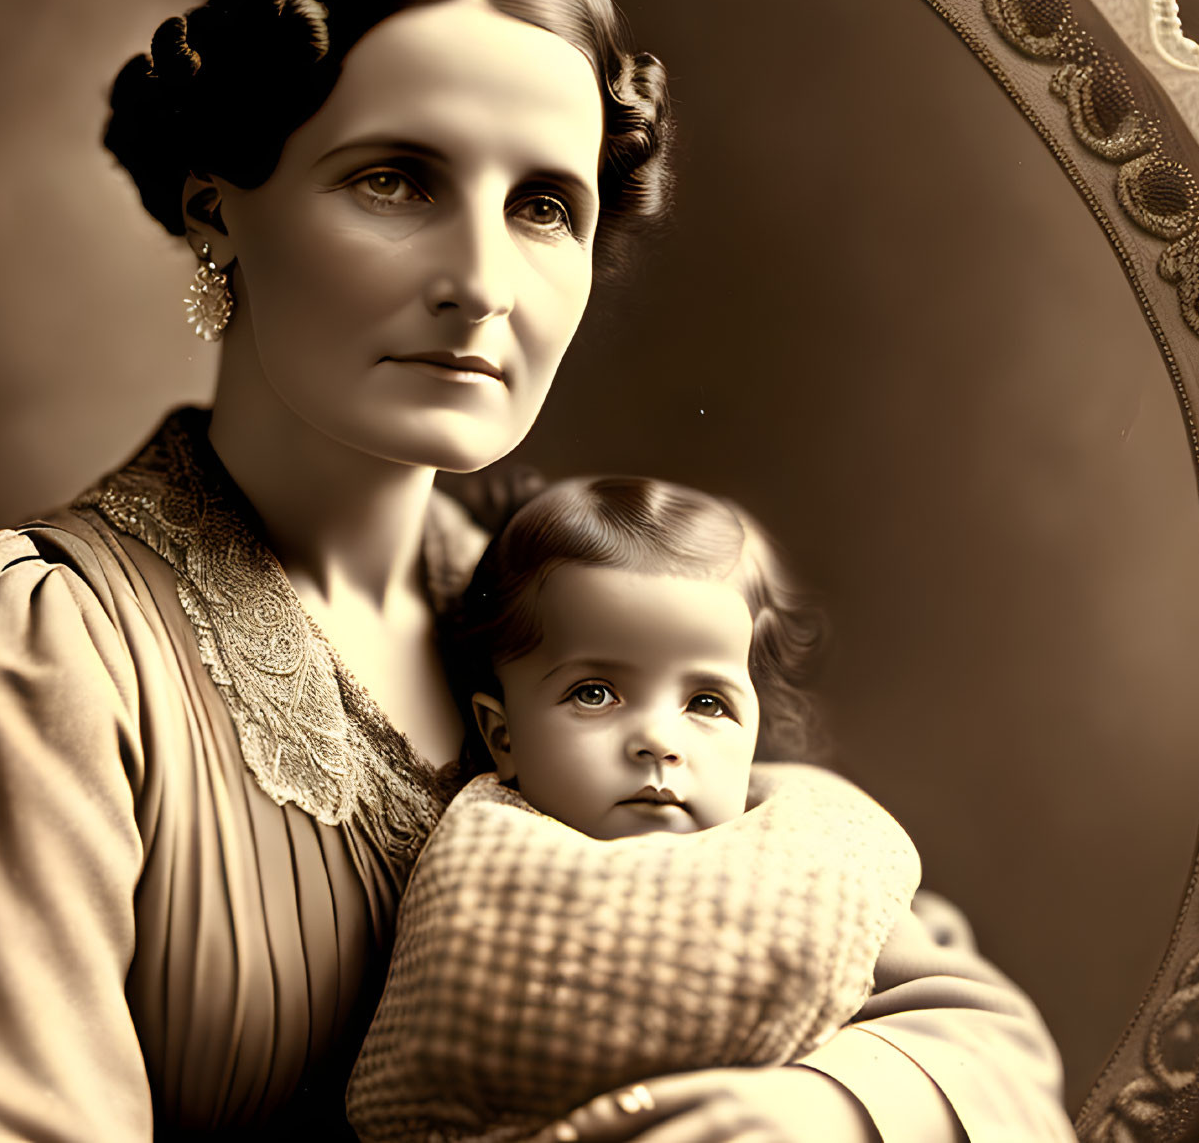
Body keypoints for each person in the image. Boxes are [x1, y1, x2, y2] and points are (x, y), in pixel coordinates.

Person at [0, 0, 1073, 1143]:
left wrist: (823, 1109)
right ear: (215, 201)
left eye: (541, 206)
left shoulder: (577, 609)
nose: (482, 284)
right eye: (395, 180)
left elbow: (986, 1044)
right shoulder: (27, 650)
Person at [346, 476, 932, 1141]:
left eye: (706, 703)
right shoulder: (477, 862)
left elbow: (959, 1025)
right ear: (501, 737)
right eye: (595, 693)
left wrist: (826, 1103)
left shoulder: (806, 848)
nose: (659, 738)